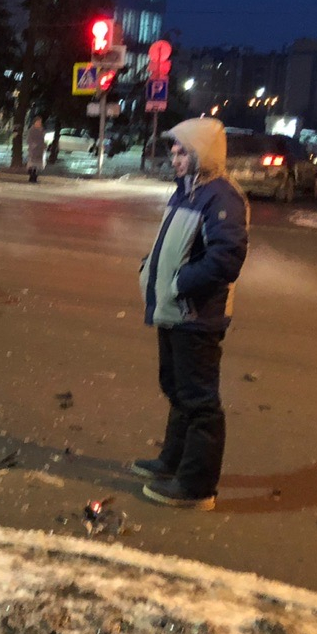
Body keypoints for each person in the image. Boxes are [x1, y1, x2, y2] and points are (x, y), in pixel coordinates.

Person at [134, 117, 249, 511]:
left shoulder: (222, 197)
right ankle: (173, 462)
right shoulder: (187, 192)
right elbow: (172, 244)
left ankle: (197, 487)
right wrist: (149, 268)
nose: (175, 156)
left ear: (202, 153)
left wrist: (180, 284)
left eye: (183, 151)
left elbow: (226, 258)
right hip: (173, 312)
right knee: (176, 389)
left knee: (199, 401)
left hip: (196, 316)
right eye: (174, 150)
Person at [26, 116, 45, 183]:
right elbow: (29, 140)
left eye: (40, 122)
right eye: (38, 122)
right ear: (35, 122)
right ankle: (31, 177)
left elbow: (42, 140)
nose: (39, 123)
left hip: (39, 151)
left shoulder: (41, 130)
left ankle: (34, 177)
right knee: (32, 165)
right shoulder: (32, 130)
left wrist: (43, 146)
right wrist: (33, 145)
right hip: (33, 150)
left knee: (37, 166)